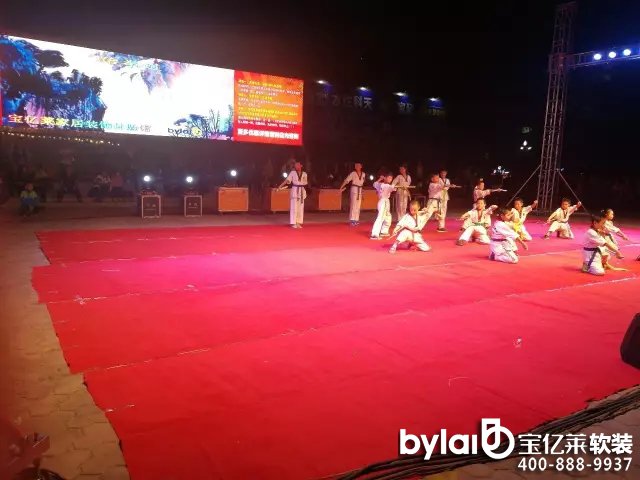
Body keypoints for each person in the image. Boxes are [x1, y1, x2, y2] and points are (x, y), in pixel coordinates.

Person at [278, 160, 308, 228]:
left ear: (301, 166)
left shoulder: (304, 174)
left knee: (300, 208)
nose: (296, 166)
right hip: (295, 190)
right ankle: (293, 222)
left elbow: (306, 182)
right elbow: (287, 180)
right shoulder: (292, 173)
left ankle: (298, 222)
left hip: (301, 190)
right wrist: (280, 186)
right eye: (295, 165)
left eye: (297, 165)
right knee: (294, 207)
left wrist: (301, 183)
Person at [370, 172, 396, 240]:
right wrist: (394, 185)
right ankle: (374, 234)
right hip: (383, 202)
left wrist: (380, 179)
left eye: (391, 178)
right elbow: (392, 188)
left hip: (385, 201)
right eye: (389, 178)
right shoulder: (386, 186)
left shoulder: (379, 184)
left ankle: (384, 231)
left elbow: (374, 184)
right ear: (385, 178)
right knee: (380, 217)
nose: (390, 179)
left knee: (388, 216)